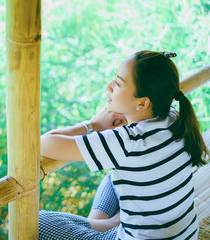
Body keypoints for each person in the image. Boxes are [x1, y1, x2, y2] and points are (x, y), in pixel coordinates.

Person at [39, 50, 208, 239]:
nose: (108, 86)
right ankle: (108, 224)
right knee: (114, 176)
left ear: (143, 103)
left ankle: (107, 224)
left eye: (118, 83)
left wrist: (94, 125)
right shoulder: (174, 117)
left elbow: (43, 143)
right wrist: (128, 115)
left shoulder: (126, 142)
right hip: (185, 236)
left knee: (37, 223)